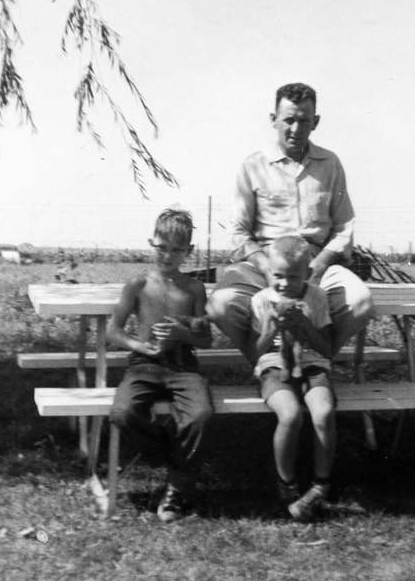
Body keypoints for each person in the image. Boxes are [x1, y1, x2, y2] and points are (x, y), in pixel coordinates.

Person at [207, 81, 374, 361]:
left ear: (316, 122)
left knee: (361, 302)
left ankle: (321, 355)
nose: (296, 129)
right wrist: (265, 266)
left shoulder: (330, 164)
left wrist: (319, 265)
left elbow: (345, 226)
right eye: (288, 120)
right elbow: (237, 232)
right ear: (273, 120)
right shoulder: (253, 165)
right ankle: (259, 354)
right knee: (219, 306)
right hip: (263, 263)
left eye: (304, 121)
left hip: (317, 261)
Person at [108, 209, 213, 523]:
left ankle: (175, 492)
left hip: (182, 365)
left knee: (200, 415)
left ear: (189, 252)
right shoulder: (138, 284)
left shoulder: (194, 289)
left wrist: (184, 333)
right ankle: (172, 456)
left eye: (177, 250)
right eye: (161, 247)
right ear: (151, 243)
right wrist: (140, 345)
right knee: (122, 413)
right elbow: (114, 331)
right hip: (144, 364)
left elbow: (205, 339)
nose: (168, 255)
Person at [251, 235, 335, 521]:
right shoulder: (262, 300)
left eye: (294, 277)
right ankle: (286, 485)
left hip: (311, 362)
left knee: (323, 412)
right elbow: (255, 353)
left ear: (308, 274)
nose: (285, 284)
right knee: (290, 415)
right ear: (268, 273)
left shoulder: (317, 296)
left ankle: (320, 486)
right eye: (278, 276)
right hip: (275, 364)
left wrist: (306, 326)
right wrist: (270, 329)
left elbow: (327, 349)